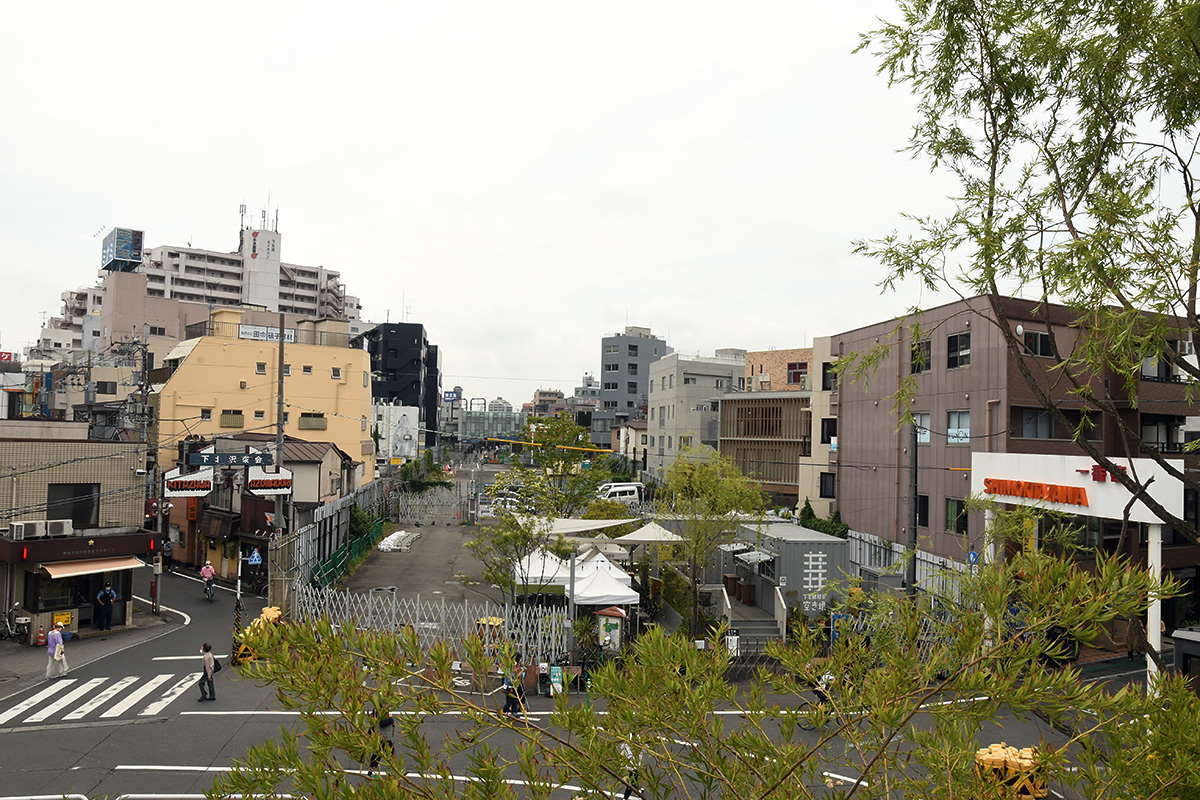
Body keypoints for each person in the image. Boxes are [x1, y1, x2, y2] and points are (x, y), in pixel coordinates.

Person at [366, 706, 395, 777]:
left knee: (378, 755)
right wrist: (390, 718)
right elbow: (382, 723)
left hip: (380, 738)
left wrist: (368, 734)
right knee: (390, 754)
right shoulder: (381, 713)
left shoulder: (375, 712)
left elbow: (373, 726)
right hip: (384, 738)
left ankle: (370, 772)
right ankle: (393, 770)